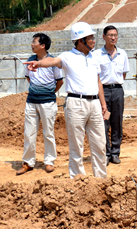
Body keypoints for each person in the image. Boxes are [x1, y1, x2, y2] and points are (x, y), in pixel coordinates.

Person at [24, 22, 108, 179]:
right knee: (76, 146)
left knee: (99, 145)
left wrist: (103, 104)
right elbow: (52, 61)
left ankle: (101, 179)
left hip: (95, 104)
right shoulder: (67, 56)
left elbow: (98, 82)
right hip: (76, 103)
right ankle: (78, 179)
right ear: (80, 40)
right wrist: (38, 64)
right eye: (90, 38)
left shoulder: (94, 56)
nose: (93, 40)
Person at [16, 33, 64, 175]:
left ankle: (49, 161)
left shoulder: (53, 62)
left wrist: (49, 93)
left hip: (48, 102)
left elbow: (60, 81)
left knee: (48, 132)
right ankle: (28, 162)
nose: (32, 44)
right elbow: (29, 78)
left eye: (34, 42)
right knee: (29, 133)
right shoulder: (30, 60)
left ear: (42, 45)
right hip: (32, 101)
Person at [93, 25, 130, 165]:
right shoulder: (97, 54)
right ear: (104, 37)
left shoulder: (122, 54)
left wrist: (116, 86)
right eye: (110, 35)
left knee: (117, 122)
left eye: (115, 35)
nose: (113, 38)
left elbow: (123, 74)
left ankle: (115, 153)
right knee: (104, 122)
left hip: (117, 91)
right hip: (103, 92)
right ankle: (106, 153)